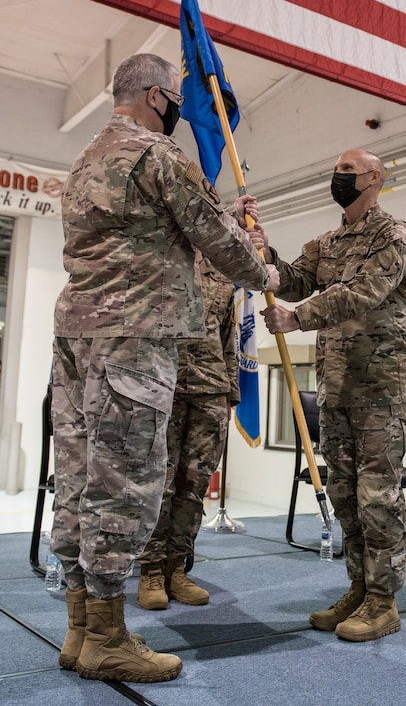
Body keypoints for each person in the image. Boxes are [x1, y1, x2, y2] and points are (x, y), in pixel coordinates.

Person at [50, 53, 278, 683]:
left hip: (76, 335)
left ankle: (77, 629)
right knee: (123, 483)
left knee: (76, 478)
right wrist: (265, 273)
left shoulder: (86, 157)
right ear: (155, 96)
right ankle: (108, 638)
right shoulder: (156, 154)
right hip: (134, 336)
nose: (180, 108)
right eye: (175, 98)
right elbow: (215, 239)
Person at [259, 148, 406, 642]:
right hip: (336, 386)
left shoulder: (395, 234)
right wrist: (263, 255)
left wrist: (298, 318)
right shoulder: (328, 241)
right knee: (346, 497)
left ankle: (384, 601)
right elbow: (293, 279)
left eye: (348, 171)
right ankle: (359, 588)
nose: (338, 176)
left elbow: (364, 290)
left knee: (378, 498)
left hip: (381, 390)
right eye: (337, 169)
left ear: (374, 179)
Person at [137, 253, 239, 609]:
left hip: (211, 390)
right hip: (163, 389)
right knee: (159, 484)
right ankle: (150, 570)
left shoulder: (223, 277)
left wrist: (232, 393)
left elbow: (230, 338)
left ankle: (176, 568)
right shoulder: (159, 263)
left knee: (193, 486)